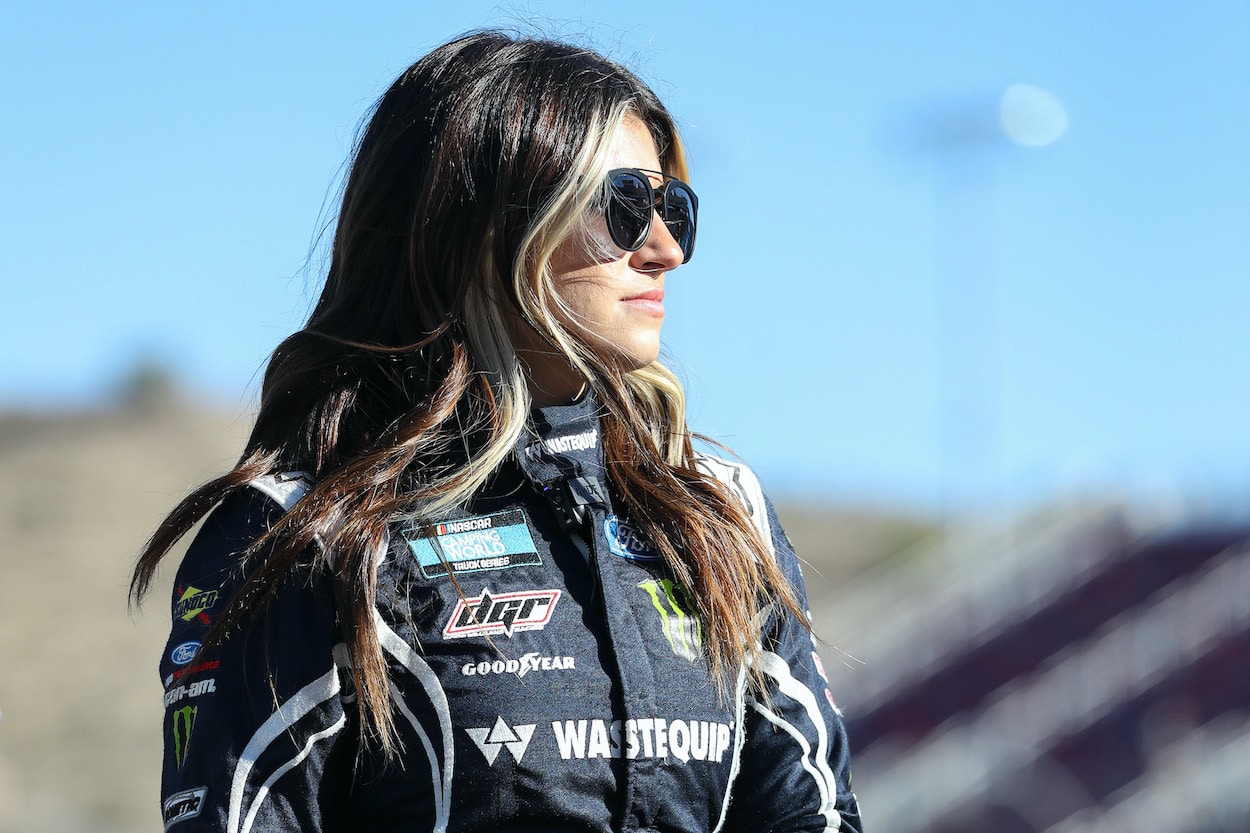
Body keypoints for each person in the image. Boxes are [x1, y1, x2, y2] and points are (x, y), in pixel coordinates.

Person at [132, 30, 863, 833]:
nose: (663, 251)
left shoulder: (721, 513)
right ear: (483, 225)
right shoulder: (310, 529)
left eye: (673, 210)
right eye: (624, 206)